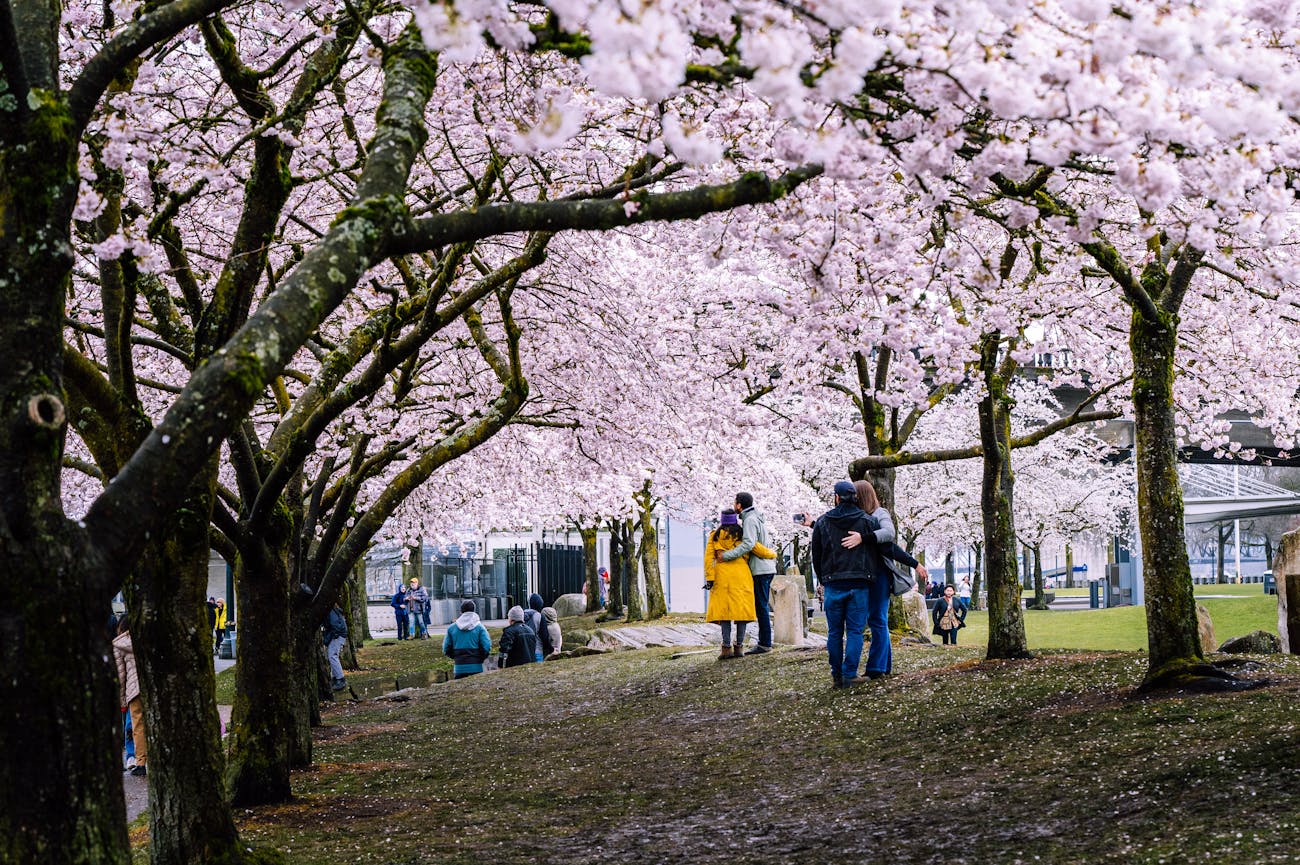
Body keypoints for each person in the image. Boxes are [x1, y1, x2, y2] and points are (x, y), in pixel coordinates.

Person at [810, 481, 878, 687]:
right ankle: (850, 673)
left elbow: (816, 554)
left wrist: (823, 578)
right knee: (855, 631)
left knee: (834, 632)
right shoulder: (867, 521)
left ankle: (836, 673)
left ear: (836, 497)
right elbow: (875, 551)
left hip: (833, 582)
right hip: (859, 582)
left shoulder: (822, 522)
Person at [705, 510, 776, 659]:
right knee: (741, 612)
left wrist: (710, 577)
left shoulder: (715, 535)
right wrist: (772, 554)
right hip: (742, 575)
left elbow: (708, 558)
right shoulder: (742, 534)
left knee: (725, 612)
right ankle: (739, 647)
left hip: (722, 575)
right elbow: (757, 548)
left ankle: (726, 648)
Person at [112, 621, 147, 777]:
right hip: (153, 685)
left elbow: (121, 675)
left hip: (134, 691)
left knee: (137, 726)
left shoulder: (119, 645)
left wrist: (122, 700)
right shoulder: (148, 637)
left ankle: (140, 762)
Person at [443, 600, 492, 678]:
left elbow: (446, 648)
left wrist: (456, 657)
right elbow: (486, 646)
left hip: (459, 667)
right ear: (474, 610)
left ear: (461, 611)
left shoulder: (452, 628)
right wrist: (481, 658)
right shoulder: (480, 627)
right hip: (476, 667)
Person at [323, 603, 348, 691]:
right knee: (333, 656)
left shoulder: (329, 610)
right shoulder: (332, 609)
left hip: (337, 635)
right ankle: (335, 678)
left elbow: (336, 626)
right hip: (338, 634)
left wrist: (330, 638)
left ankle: (340, 679)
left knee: (332, 656)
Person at [525, 593, 553, 661]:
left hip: (524, 651)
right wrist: (550, 648)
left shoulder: (521, 614)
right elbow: (544, 636)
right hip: (537, 651)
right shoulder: (540, 617)